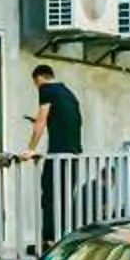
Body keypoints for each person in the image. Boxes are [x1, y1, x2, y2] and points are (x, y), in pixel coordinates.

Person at [23, 63, 85, 243]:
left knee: (49, 195)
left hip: (58, 154)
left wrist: (30, 149)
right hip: (73, 154)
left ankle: (48, 240)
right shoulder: (68, 93)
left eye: (35, 83)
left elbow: (41, 121)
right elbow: (69, 119)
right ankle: (64, 238)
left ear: (38, 78)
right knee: (65, 196)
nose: (36, 87)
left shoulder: (46, 89)